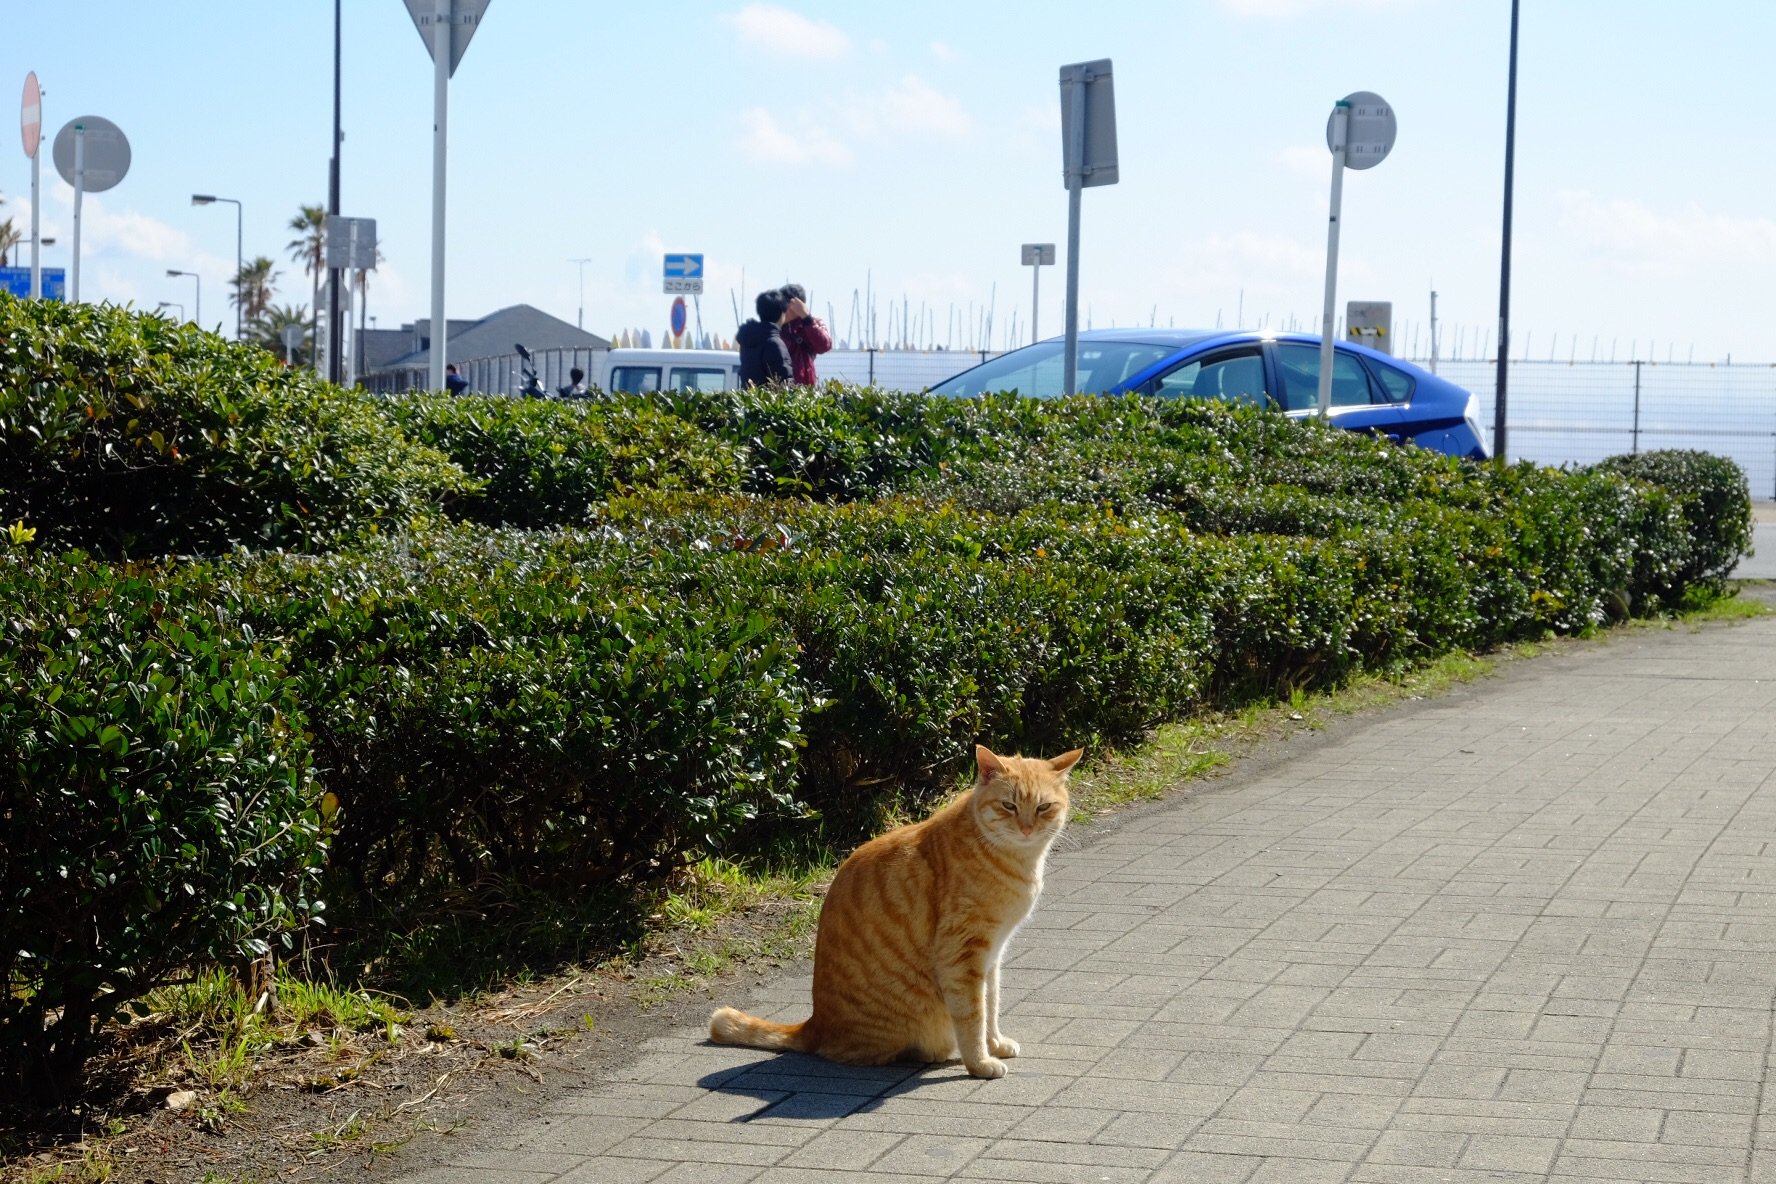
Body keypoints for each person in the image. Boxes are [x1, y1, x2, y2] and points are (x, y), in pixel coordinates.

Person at [778, 284, 832, 386]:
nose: (783, 309)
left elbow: (824, 346)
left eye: (787, 303)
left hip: (803, 390)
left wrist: (807, 318)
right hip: (776, 388)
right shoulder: (773, 327)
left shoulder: (813, 323)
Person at [737, 289, 793, 388]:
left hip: (750, 396)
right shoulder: (774, 343)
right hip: (770, 398)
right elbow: (785, 382)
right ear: (782, 313)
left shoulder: (748, 339)